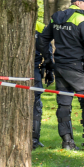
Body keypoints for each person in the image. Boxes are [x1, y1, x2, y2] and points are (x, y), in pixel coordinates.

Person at [36, 0, 84, 150]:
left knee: (63, 105)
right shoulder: (81, 20)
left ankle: (67, 141)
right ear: (78, 3)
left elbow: (42, 40)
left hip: (60, 67)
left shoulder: (56, 19)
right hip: (77, 67)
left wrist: (49, 60)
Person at [33, 19, 54, 149]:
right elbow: (47, 50)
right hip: (33, 69)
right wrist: (49, 70)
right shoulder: (40, 26)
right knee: (35, 105)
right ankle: (34, 139)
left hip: (10, 72)